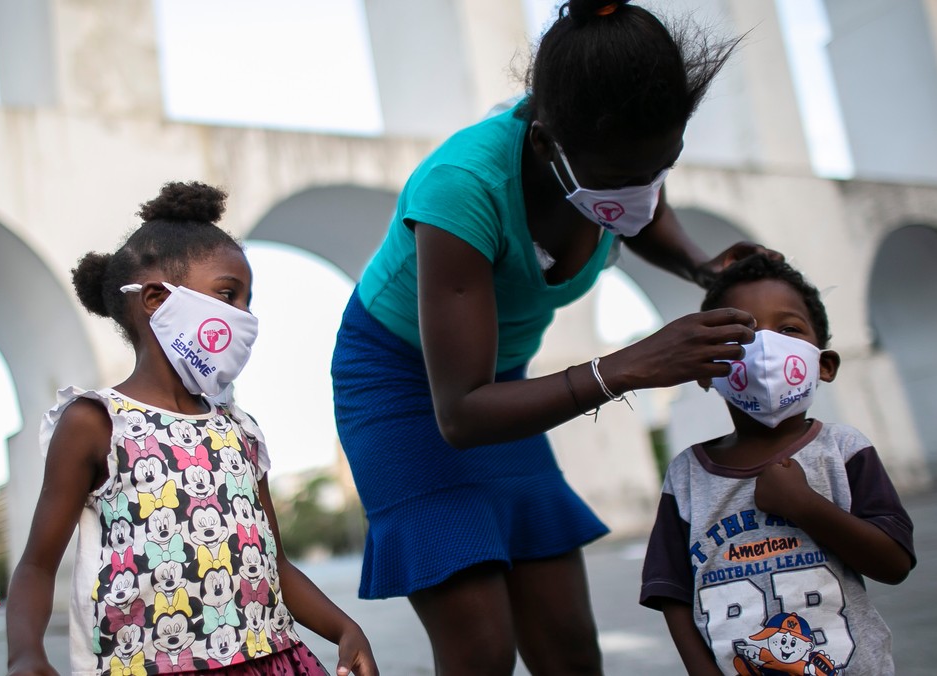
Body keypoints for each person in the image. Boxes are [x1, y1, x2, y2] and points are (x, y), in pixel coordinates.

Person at [330, 1, 777, 673]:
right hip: (407, 387)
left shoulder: (610, 146)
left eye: (660, 165)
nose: (641, 191)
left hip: (498, 384)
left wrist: (699, 264)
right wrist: (628, 366)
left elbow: (641, 204)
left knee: (569, 644)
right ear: (545, 145)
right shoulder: (461, 189)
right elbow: (462, 415)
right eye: (617, 178)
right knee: (482, 649)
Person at [7, 182, 378, 676]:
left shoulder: (242, 432)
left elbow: (275, 565)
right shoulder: (96, 421)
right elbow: (36, 564)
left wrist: (344, 628)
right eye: (228, 294)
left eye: (247, 300)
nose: (243, 316)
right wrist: (25, 653)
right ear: (158, 300)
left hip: (275, 660)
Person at [640, 254, 916, 675]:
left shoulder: (843, 450)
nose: (766, 348)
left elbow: (894, 564)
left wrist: (805, 505)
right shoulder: (687, 475)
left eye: (788, 329)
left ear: (823, 364)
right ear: (706, 371)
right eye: (742, 334)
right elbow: (671, 592)